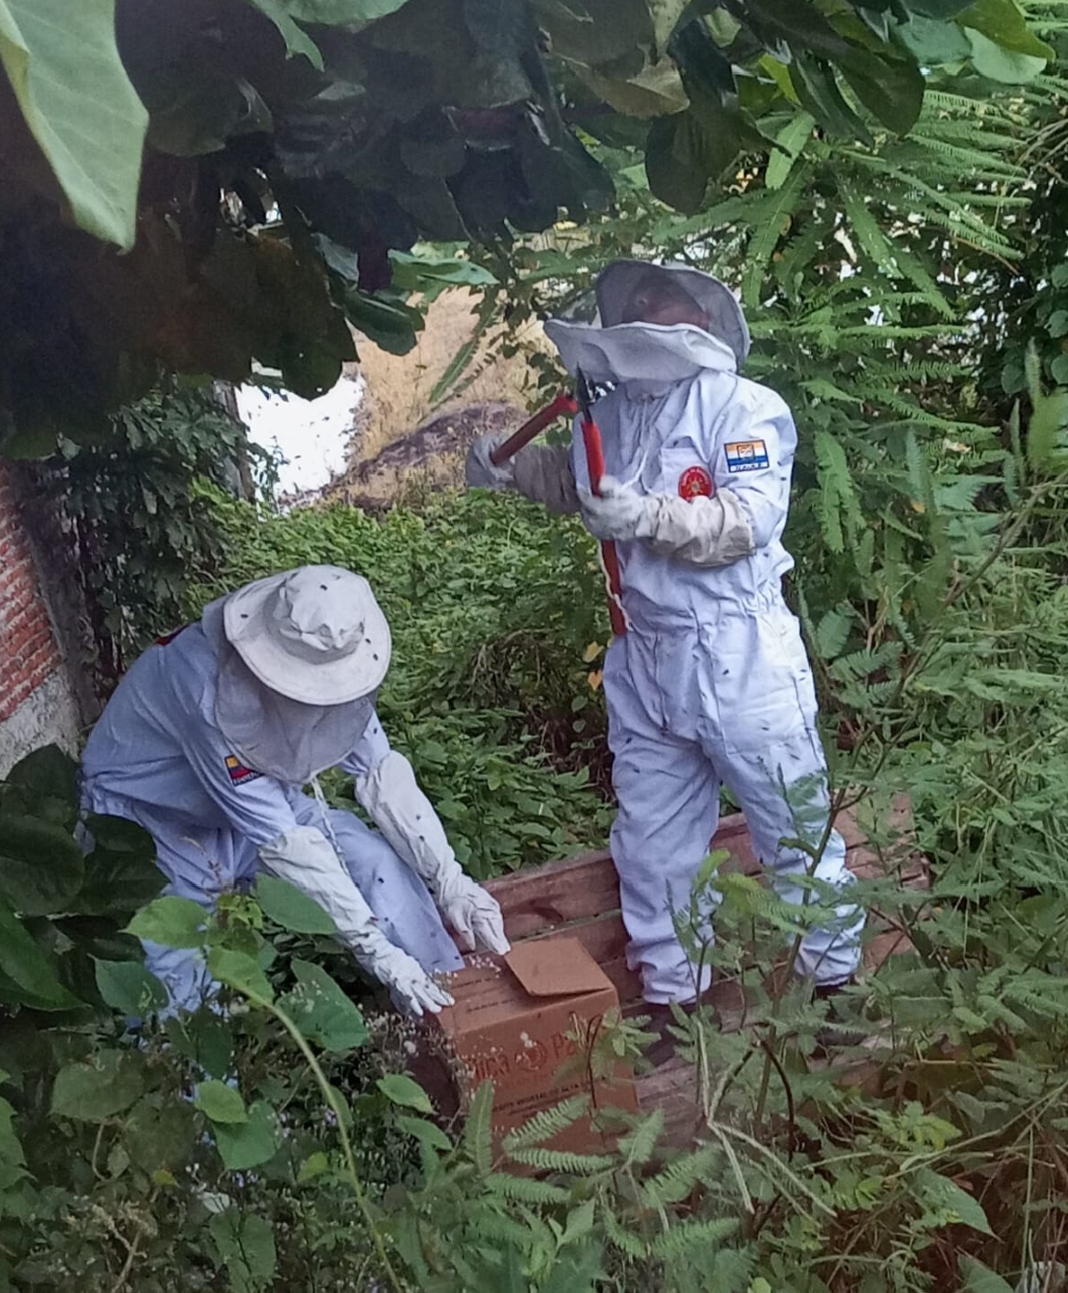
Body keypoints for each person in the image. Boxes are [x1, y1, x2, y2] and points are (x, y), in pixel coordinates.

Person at [466, 260, 863, 1056]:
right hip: (645, 654)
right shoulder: (613, 414)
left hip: (739, 652)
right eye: (638, 297)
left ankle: (835, 993)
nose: (647, 304)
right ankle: (677, 1005)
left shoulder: (746, 408)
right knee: (652, 843)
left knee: (793, 827)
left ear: (703, 318)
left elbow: (745, 521)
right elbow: (578, 482)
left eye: (663, 296)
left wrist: (650, 516)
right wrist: (511, 469)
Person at [81, 564, 509, 1016]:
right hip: (150, 825)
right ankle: (186, 1059)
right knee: (176, 991)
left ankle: (456, 1004)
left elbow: (380, 773)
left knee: (376, 864)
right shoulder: (204, 689)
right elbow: (286, 842)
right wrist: (375, 949)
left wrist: (451, 880)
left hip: (246, 809)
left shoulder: (332, 657)